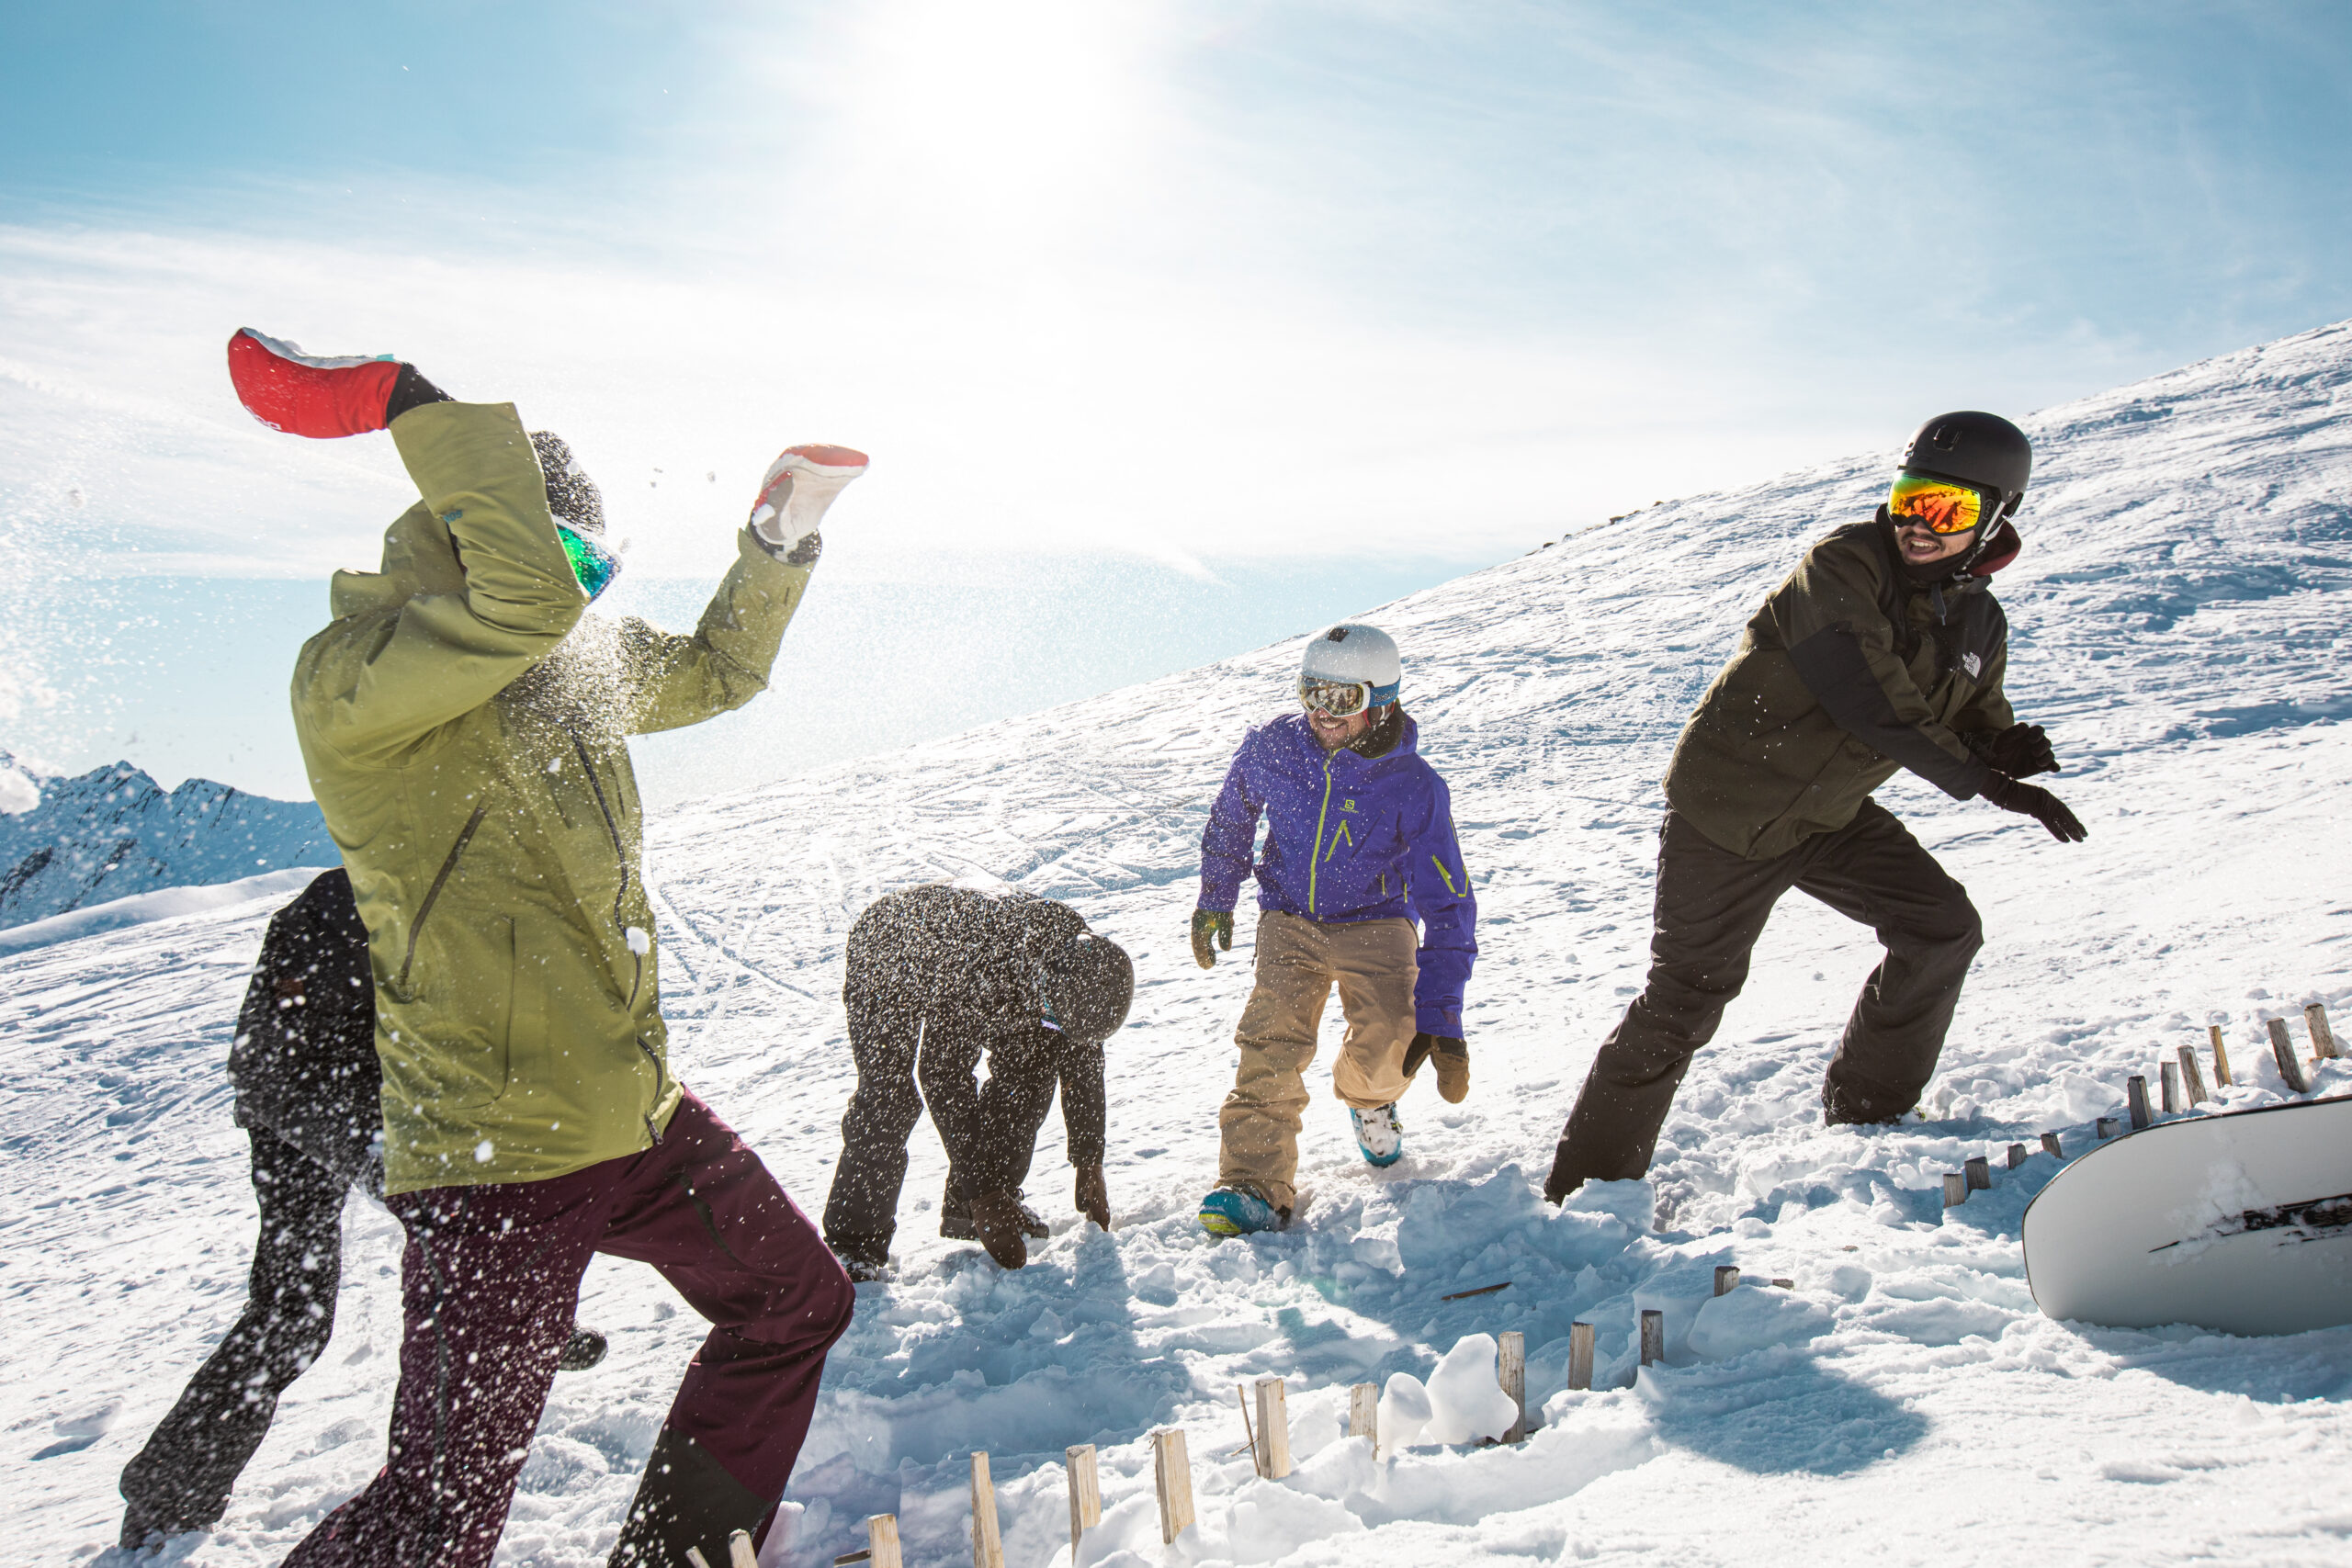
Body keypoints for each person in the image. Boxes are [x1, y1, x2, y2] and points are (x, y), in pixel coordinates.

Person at [228, 327, 865, 1568]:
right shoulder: (355, 679)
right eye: (552, 552)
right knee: (435, 1518)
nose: (573, 590)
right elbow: (517, 600)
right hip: (495, 1152)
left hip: (634, 1120)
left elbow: (721, 670)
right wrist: (412, 403)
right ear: (468, 532)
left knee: (794, 1302)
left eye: (590, 560)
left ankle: (679, 1554)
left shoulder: (569, 666)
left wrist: (778, 538)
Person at [1543, 412, 2087, 1203]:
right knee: (1685, 998)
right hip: (1728, 810)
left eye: (1948, 510)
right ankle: (1587, 1187)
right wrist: (1985, 779)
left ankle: (1868, 1108)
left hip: (1828, 814)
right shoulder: (1843, 565)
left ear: (1996, 517)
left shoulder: (1978, 620)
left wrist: (2002, 748)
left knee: (1942, 927)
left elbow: (1971, 713)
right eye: (1910, 499)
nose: (1918, 525)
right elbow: (1872, 699)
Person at [116, 869, 605, 1551]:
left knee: (471, 1204)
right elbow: (290, 1051)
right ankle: (168, 1495)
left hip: (359, 1091)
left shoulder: (449, 888)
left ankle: (526, 1319)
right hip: (296, 1100)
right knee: (299, 1309)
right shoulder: (353, 897)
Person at [1191, 624, 1478, 1236]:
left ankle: (1372, 1101)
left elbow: (1450, 903)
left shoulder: (1414, 786)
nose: (1322, 712)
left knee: (1392, 1041)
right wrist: (1216, 896)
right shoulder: (1275, 747)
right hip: (1289, 916)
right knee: (1271, 1042)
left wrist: (1443, 1017)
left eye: (1342, 698)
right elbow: (1232, 813)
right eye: (1312, 691)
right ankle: (1252, 1181)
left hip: (1377, 922)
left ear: (1381, 701)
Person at [820, 883, 1135, 1276]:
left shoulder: (1084, 962)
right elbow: (942, 1076)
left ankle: (969, 1209)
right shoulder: (980, 961)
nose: (1053, 1025)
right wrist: (982, 1192)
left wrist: (1090, 1159)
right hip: (890, 956)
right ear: (1044, 983)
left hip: (996, 980)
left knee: (1034, 1065)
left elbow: (1082, 1055)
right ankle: (852, 1245)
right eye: (1051, 1015)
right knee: (889, 1098)